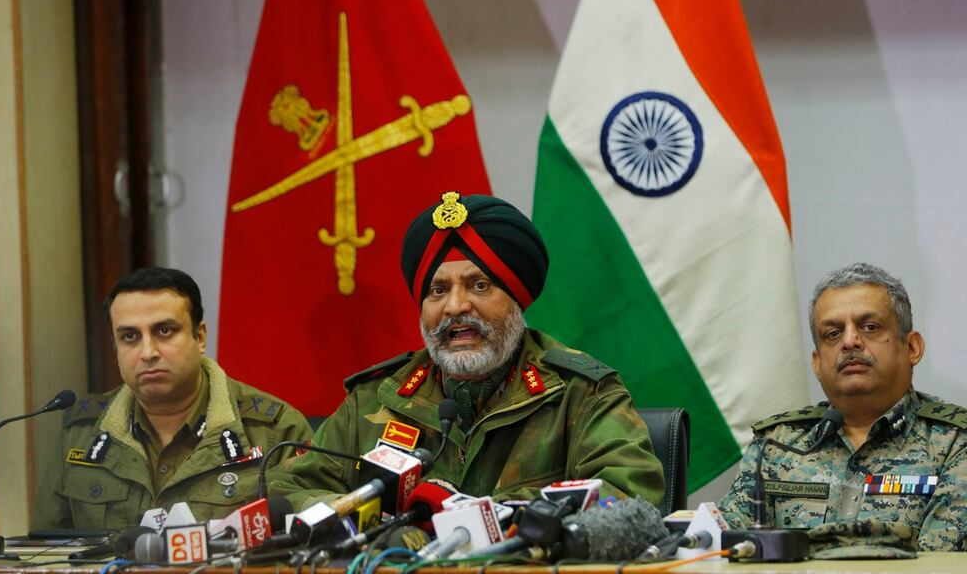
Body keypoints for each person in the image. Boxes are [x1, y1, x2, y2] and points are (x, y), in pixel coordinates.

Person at [270, 192, 664, 511]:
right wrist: (375, 521)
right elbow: (286, 491)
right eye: (438, 291)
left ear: (516, 301)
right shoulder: (376, 397)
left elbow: (630, 496)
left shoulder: (580, 392)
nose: (455, 307)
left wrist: (479, 517)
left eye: (478, 285)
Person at [31, 267, 312, 530]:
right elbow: (45, 552)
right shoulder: (82, 433)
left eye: (164, 331)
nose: (148, 352)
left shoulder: (275, 430)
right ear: (115, 347)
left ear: (199, 337)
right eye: (130, 336)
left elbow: (311, 547)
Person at [718, 263, 967, 552]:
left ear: (912, 348)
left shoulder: (955, 443)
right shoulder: (775, 444)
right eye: (833, 334)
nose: (849, 341)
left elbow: (938, 563)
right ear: (817, 364)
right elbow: (725, 546)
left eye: (870, 327)